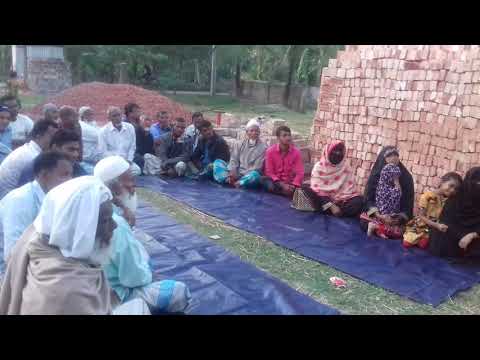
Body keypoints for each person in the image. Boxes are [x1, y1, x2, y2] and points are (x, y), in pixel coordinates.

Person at [0, 176, 121, 315]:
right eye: (105, 220)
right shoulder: (69, 290)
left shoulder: (38, 237)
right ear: (77, 226)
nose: (114, 225)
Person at [94, 156, 192, 314]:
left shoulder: (94, 209)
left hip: (95, 289)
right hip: (114, 296)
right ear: (113, 188)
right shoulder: (115, 224)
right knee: (177, 291)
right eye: (130, 180)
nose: (134, 186)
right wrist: (148, 272)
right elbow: (134, 279)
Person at [0, 151, 73, 261]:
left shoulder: (56, 198)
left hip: (41, 262)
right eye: (65, 175)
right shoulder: (20, 199)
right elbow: (13, 254)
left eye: (71, 175)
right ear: (44, 175)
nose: (70, 181)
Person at [299, 141, 364, 217]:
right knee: (304, 189)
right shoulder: (319, 167)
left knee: (359, 201)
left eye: (339, 151)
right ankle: (335, 211)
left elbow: (350, 191)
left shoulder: (345, 167)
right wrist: (331, 205)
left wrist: (337, 204)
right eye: (334, 151)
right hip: (323, 201)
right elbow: (317, 190)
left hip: (341, 201)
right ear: (327, 152)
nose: (337, 154)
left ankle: (336, 212)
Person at [360, 146, 415, 233]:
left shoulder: (406, 177)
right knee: (364, 221)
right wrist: (379, 215)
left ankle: (381, 229)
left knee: (403, 231)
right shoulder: (376, 175)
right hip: (377, 214)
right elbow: (368, 199)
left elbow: (408, 205)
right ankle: (381, 228)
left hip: (396, 217)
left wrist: (397, 218)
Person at [429, 167, 480, 261]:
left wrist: (472, 235)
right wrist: (461, 236)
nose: (477, 187)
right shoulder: (454, 201)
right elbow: (446, 225)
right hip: (447, 243)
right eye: (477, 183)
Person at [0, 119, 58, 200]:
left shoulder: (28, 149)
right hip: (9, 201)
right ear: (38, 135)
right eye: (52, 137)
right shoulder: (32, 157)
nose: (55, 141)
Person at [403, 172, 462, 249]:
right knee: (407, 244)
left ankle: (422, 238)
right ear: (442, 182)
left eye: (456, 189)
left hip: (432, 230)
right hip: (420, 226)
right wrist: (436, 225)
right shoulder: (427, 196)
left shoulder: (449, 201)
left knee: (423, 245)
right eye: (451, 186)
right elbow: (421, 216)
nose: (452, 190)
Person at [17, 129, 87, 186]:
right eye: (71, 149)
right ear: (55, 148)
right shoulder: (34, 168)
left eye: (77, 150)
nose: (76, 154)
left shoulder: (74, 166)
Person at [214, 118, 266, 188]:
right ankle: (227, 179)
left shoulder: (263, 148)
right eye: (252, 131)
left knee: (255, 175)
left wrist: (239, 175)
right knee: (218, 162)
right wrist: (232, 172)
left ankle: (239, 183)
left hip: (247, 176)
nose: (254, 133)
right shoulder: (239, 144)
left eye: (256, 131)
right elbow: (233, 160)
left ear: (259, 132)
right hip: (235, 173)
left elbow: (257, 168)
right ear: (247, 132)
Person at [361, 163, 406, 239]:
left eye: (397, 176)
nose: (396, 178)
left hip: (390, 219)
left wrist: (395, 219)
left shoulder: (392, 186)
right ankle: (377, 228)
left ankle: (378, 230)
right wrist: (380, 216)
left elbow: (402, 209)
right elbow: (368, 202)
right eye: (394, 176)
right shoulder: (381, 188)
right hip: (375, 216)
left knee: (400, 232)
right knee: (365, 220)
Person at [261, 125, 304, 197]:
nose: (288, 138)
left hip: (290, 182)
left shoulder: (296, 152)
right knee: (267, 184)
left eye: (289, 135)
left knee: (303, 189)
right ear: (278, 138)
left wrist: (294, 185)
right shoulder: (270, 151)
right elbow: (269, 172)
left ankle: (288, 192)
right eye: (284, 135)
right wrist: (282, 184)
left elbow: (300, 172)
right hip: (276, 182)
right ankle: (285, 192)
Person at [94, 156, 137, 227]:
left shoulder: (121, 201)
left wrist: (125, 208)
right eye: (127, 183)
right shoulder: (107, 215)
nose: (133, 187)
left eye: (132, 179)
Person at [98, 106, 141, 176]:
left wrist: (129, 161)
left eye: (119, 115)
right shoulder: (103, 131)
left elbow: (132, 147)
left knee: (137, 170)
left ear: (122, 115)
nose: (117, 118)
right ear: (109, 118)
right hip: (111, 162)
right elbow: (103, 152)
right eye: (114, 116)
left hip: (126, 162)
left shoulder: (130, 127)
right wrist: (118, 160)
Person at [124, 103, 154, 173]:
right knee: (139, 159)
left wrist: (146, 134)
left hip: (139, 150)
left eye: (139, 111)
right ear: (130, 113)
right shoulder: (125, 125)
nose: (139, 113)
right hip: (128, 152)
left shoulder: (138, 124)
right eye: (137, 112)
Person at [78, 107, 101, 174]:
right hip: (87, 160)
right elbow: (99, 136)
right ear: (82, 116)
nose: (91, 116)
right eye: (88, 114)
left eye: (92, 114)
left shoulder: (92, 123)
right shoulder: (82, 126)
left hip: (96, 159)